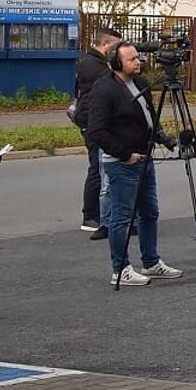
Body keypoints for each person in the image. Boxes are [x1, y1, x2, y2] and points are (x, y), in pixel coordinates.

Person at [84, 41, 183, 286]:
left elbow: (149, 117)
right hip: (122, 162)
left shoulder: (139, 83)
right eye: (131, 59)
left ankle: (151, 262)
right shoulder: (104, 88)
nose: (137, 62)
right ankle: (121, 269)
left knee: (149, 212)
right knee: (122, 216)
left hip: (145, 157)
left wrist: (163, 137)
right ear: (115, 63)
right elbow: (97, 131)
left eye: (138, 57)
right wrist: (124, 154)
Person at [73, 26, 120, 239]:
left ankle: (104, 215)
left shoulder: (97, 62)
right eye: (117, 47)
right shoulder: (91, 64)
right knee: (97, 170)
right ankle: (91, 216)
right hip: (93, 121)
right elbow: (115, 79)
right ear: (105, 45)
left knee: (101, 169)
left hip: (97, 118)